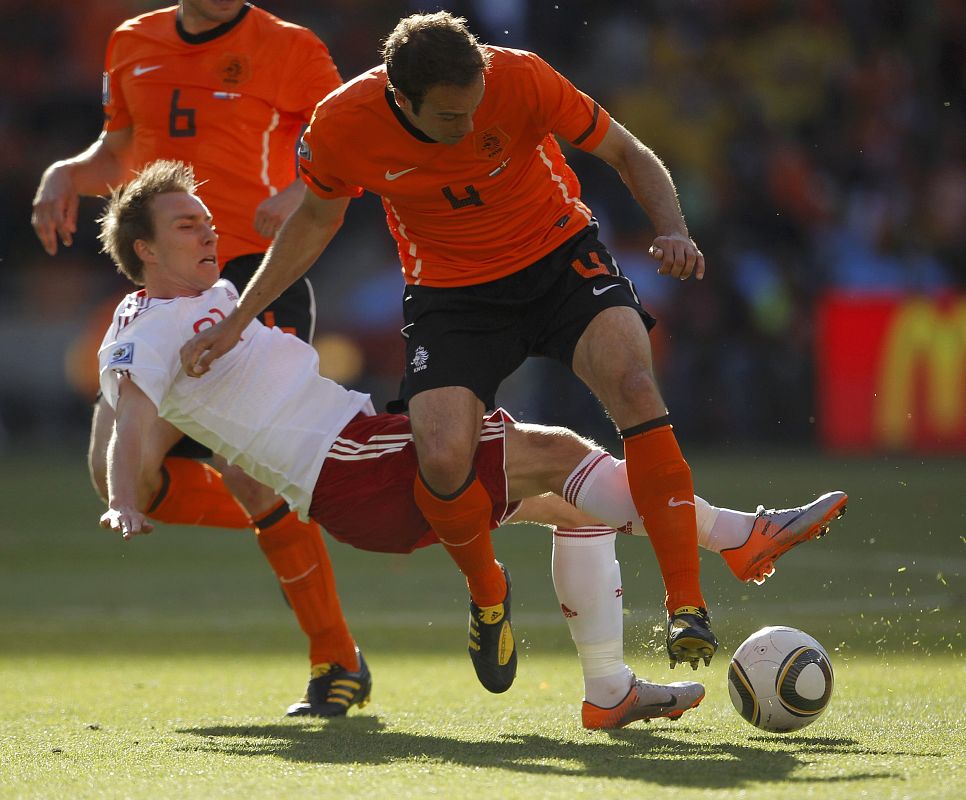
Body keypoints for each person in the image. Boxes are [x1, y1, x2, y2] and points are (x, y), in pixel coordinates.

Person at [96, 160, 848, 727]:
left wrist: (305, 193)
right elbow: (130, 414)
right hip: (347, 466)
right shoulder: (145, 325)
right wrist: (125, 499)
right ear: (145, 249)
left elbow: (290, 244)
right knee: (554, 450)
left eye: (203, 217)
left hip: (360, 456)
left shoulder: (215, 295)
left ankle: (608, 690)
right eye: (188, 225)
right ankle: (739, 536)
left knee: (573, 504)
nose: (207, 230)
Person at [181, 11, 730, 687]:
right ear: (400, 98)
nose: (468, 128)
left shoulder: (521, 77)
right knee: (441, 457)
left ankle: (687, 605)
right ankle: (489, 592)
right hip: (452, 292)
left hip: (558, 258)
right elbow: (315, 221)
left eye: (473, 110)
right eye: (448, 117)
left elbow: (627, 151)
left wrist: (673, 228)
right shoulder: (340, 124)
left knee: (636, 387)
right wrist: (239, 318)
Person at [29, 0, 358, 716]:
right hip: (163, 290)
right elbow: (117, 153)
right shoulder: (131, 40)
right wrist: (65, 172)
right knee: (122, 476)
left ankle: (335, 659)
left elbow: (346, 149)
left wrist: (300, 190)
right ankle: (303, 512)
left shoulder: (291, 48)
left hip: (253, 276)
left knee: (248, 466)